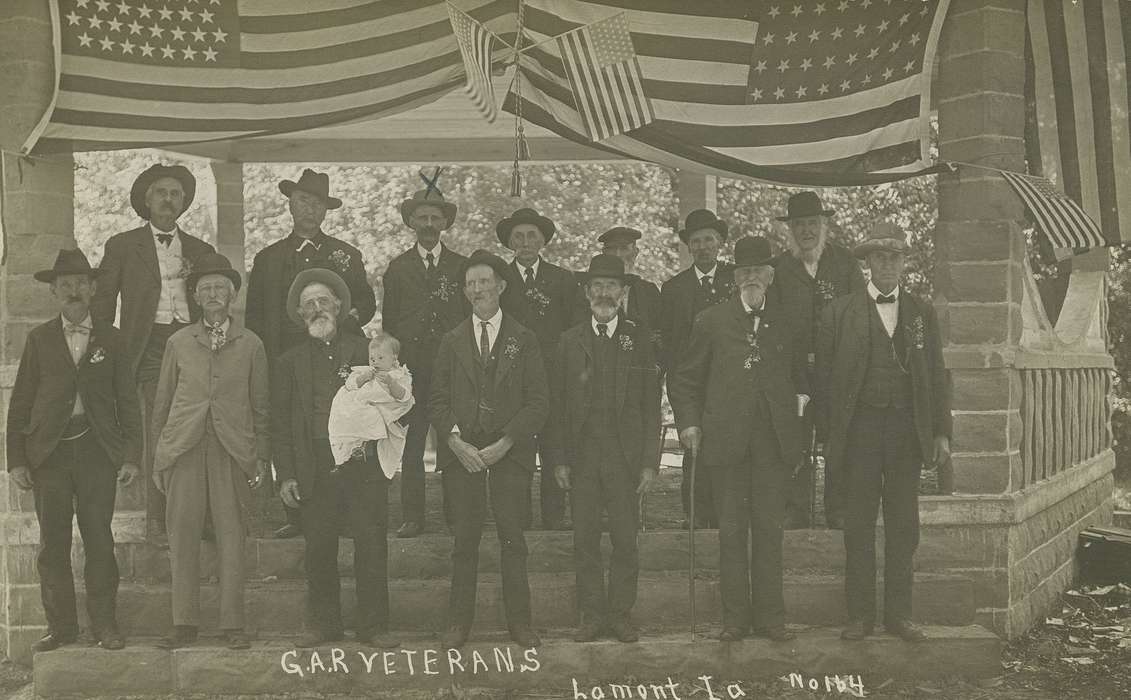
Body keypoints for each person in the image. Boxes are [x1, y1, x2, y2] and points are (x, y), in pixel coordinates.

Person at [815, 223, 951, 643]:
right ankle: (859, 617)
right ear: (867, 264)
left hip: (906, 432)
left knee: (903, 525)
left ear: (903, 263)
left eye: (895, 257)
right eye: (880, 257)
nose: (888, 265)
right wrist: (826, 435)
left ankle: (899, 615)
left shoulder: (920, 312)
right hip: (858, 432)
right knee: (857, 523)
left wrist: (941, 432)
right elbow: (823, 380)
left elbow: (935, 374)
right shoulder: (839, 312)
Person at [669, 237, 809, 643]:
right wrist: (689, 424)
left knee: (769, 531)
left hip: (773, 447)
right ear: (735, 279)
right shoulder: (710, 320)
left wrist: (796, 414)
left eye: (758, 272)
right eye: (744, 272)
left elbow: (803, 379)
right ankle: (734, 621)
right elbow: (684, 379)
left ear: (770, 276)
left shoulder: (787, 321)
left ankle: (771, 619)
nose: (751, 278)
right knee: (731, 532)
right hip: (725, 446)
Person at [6, 249, 141, 652]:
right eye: (65, 285)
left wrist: (130, 454)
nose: (73, 291)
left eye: (81, 283)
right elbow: (22, 403)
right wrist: (16, 460)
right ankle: (61, 628)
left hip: (98, 453)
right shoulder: (39, 338)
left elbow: (127, 401)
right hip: (49, 457)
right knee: (52, 544)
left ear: (94, 288)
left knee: (99, 538)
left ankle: (105, 627)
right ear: (53, 292)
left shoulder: (112, 338)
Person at [245, 168, 377, 539]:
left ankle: (344, 508)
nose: (309, 209)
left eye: (317, 203)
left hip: (331, 357)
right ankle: (294, 512)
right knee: (289, 426)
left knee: (333, 427)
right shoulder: (268, 258)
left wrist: (342, 319)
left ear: (325, 210)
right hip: (285, 358)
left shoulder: (345, 254)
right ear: (290, 204)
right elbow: (254, 314)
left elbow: (366, 302)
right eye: (303, 200)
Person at [274, 269, 400, 649]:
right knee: (319, 545)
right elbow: (281, 422)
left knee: (371, 541)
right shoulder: (289, 361)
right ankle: (324, 624)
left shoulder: (365, 350)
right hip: (314, 462)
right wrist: (288, 474)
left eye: (323, 301)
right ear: (300, 313)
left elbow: (395, 399)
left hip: (361, 459)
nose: (317, 309)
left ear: (340, 306)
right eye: (309, 304)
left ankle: (374, 626)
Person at [150, 253, 270, 650]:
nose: (214, 294)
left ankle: (232, 624)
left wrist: (261, 459)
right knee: (182, 535)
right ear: (196, 298)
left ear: (232, 295)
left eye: (221, 288)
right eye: (206, 289)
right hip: (183, 447)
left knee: (231, 535)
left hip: (232, 450)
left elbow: (261, 409)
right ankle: (183, 623)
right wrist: (159, 457)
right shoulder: (179, 342)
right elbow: (163, 403)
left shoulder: (251, 344)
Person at [430, 250, 549, 649]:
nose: (478, 289)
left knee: (512, 538)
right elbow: (437, 399)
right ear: (464, 292)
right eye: (470, 284)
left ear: (501, 286)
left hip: (508, 453)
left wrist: (507, 442)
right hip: (462, 453)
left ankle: (521, 623)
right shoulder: (451, 340)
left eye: (485, 282)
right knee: (464, 540)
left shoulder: (524, 338)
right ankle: (457, 624)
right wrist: (454, 442)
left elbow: (538, 401)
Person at [91, 163, 215, 541]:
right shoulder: (123, 245)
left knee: (200, 423)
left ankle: (202, 516)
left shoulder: (199, 249)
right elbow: (102, 303)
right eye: (161, 192)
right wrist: (111, 347)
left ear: (183, 202)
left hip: (192, 343)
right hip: (147, 347)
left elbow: (217, 296)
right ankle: (159, 520)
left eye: (175, 193)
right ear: (147, 200)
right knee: (157, 429)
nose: (168, 199)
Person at [546, 254, 661, 643]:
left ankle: (621, 615)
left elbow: (650, 407)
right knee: (585, 538)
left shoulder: (640, 339)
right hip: (582, 457)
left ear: (624, 292)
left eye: (612, 286)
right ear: (586, 292)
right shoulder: (567, 340)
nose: (604, 293)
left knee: (626, 538)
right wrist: (558, 459)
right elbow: (557, 407)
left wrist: (649, 463)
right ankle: (592, 615)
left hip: (625, 457)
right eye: (597, 285)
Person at [771, 191, 866, 529]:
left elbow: (860, 315)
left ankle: (838, 508)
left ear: (824, 225)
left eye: (812, 223)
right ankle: (795, 508)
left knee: (838, 436)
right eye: (799, 225)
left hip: (836, 369)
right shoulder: (779, 269)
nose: (806, 231)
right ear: (790, 230)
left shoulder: (845, 263)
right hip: (794, 372)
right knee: (794, 436)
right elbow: (772, 321)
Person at [381, 187, 469, 538]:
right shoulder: (398, 268)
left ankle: (456, 515)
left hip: (450, 371)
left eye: (436, 217)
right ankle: (413, 517)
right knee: (413, 445)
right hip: (412, 372)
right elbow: (389, 325)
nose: (429, 224)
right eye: (422, 217)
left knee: (452, 440)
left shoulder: (460, 267)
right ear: (411, 222)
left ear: (445, 222)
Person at [496, 207, 578, 530]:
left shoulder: (562, 279)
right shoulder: (500, 280)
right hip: (512, 378)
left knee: (553, 440)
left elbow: (575, 328)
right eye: (518, 236)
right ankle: (517, 517)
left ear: (543, 240)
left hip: (553, 375)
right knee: (517, 444)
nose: (525, 242)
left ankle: (554, 517)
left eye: (532, 236)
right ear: (510, 242)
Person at [658, 209, 735, 529]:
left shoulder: (736, 279)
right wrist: (678, 388)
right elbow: (672, 345)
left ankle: (728, 515)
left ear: (719, 243)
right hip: (692, 384)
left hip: (732, 381)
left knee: (731, 446)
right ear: (688, 247)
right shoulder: (674, 288)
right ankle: (697, 517)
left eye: (708, 240)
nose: (703, 246)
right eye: (696, 241)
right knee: (695, 448)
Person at [328, 333, 414, 474]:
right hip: (361, 405)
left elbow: (405, 396)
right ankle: (348, 450)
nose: (375, 362)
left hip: (384, 409)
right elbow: (350, 385)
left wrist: (390, 383)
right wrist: (363, 378)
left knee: (371, 416)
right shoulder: (366, 372)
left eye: (380, 358)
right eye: (372, 358)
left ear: (394, 358)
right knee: (348, 411)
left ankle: (359, 447)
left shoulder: (399, 376)